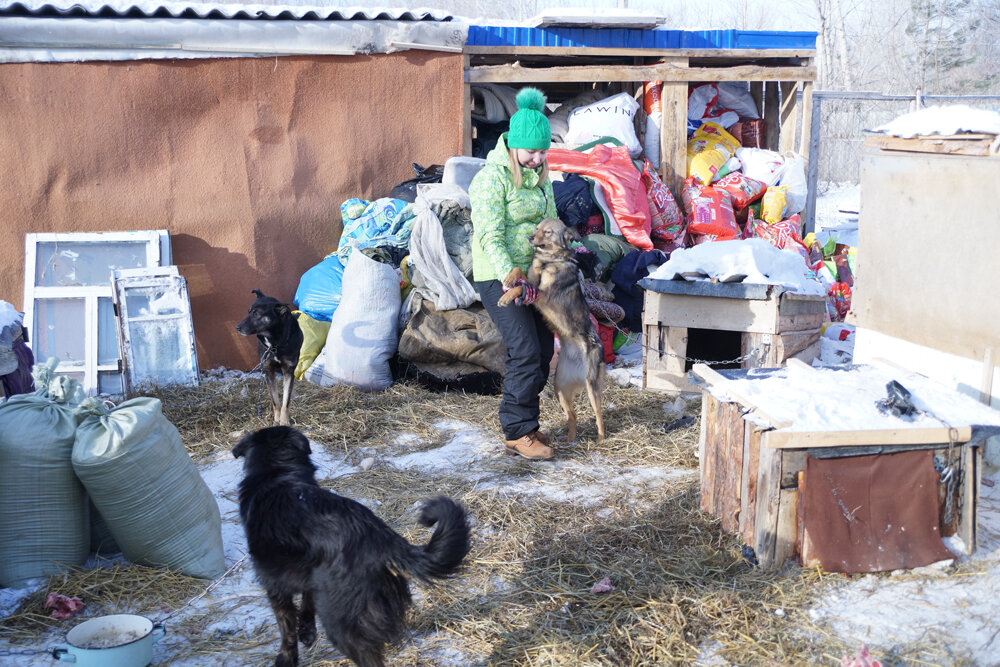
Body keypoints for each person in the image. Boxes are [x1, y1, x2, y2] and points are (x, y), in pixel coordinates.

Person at [469, 87, 559, 461]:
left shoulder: (541, 179)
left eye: (543, 152)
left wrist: (557, 260)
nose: (537, 159)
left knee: (540, 351)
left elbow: (550, 221)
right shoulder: (492, 179)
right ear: (513, 146)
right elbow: (489, 231)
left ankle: (528, 422)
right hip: (498, 273)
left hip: (532, 275)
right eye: (531, 151)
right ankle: (517, 431)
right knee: (523, 348)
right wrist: (509, 271)